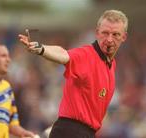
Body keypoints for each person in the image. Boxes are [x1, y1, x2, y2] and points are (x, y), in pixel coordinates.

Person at [18, 9, 128, 138]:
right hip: (71, 131)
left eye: (115, 34)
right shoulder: (87, 55)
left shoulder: (110, 64)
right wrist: (41, 49)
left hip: (84, 133)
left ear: (124, 37)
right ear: (97, 33)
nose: (109, 39)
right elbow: (64, 54)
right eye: (105, 33)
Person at [0, 43, 35, 138]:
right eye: (3, 56)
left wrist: (23, 133)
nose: (8, 60)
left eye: (8, 56)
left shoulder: (7, 89)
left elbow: (12, 123)